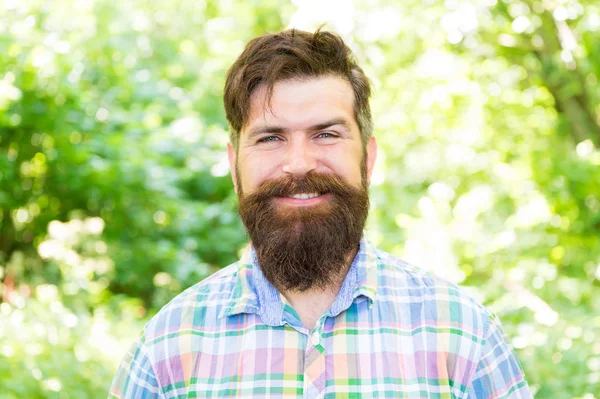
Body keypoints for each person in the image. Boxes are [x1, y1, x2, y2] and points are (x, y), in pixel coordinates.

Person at [108, 29, 531, 398]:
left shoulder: (463, 335)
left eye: (326, 134)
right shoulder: (165, 349)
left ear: (368, 159)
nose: (299, 163)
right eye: (271, 138)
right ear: (234, 166)